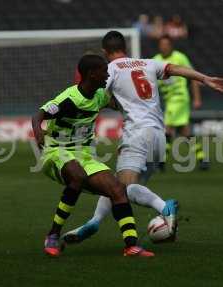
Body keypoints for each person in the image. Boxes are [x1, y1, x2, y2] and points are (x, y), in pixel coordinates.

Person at [62, 31, 223, 245]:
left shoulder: (110, 69)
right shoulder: (148, 63)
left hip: (137, 134)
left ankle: (164, 207)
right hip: (158, 137)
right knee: (115, 185)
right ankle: (94, 221)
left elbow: (95, 96)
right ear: (126, 48)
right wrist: (205, 78)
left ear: (105, 52)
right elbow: (175, 69)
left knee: (123, 188)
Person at [32, 54, 154, 257]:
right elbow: (38, 115)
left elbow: (119, 104)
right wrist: (38, 132)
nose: (108, 75)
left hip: (84, 154)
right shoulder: (69, 99)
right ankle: (53, 234)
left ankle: (131, 245)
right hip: (56, 151)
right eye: (104, 71)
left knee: (117, 189)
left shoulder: (100, 95)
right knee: (77, 176)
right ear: (91, 74)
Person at [154, 35, 208, 170]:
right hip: (168, 99)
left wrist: (197, 98)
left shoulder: (180, 57)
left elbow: (193, 77)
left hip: (179, 98)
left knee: (168, 127)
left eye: (166, 44)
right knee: (185, 130)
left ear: (171, 45)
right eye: (162, 45)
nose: (164, 47)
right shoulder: (156, 60)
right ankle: (202, 158)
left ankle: (161, 162)